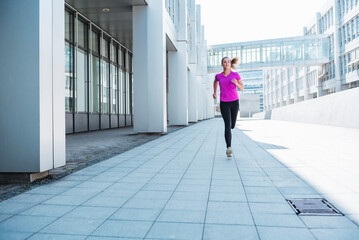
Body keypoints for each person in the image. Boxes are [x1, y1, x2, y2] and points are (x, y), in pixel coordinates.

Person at [213, 57, 244, 157]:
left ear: (230, 64)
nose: (226, 63)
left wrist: (236, 83)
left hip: (234, 102)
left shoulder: (235, 75)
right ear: (222, 64)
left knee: (232, 125)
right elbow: (215, 81)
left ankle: (232, 126)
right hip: (224, 102)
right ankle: (228, 147)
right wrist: (214, 92)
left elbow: (242, 88)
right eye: (224, 62)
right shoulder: (219, 76)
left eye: (228, 62)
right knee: (227, 124)